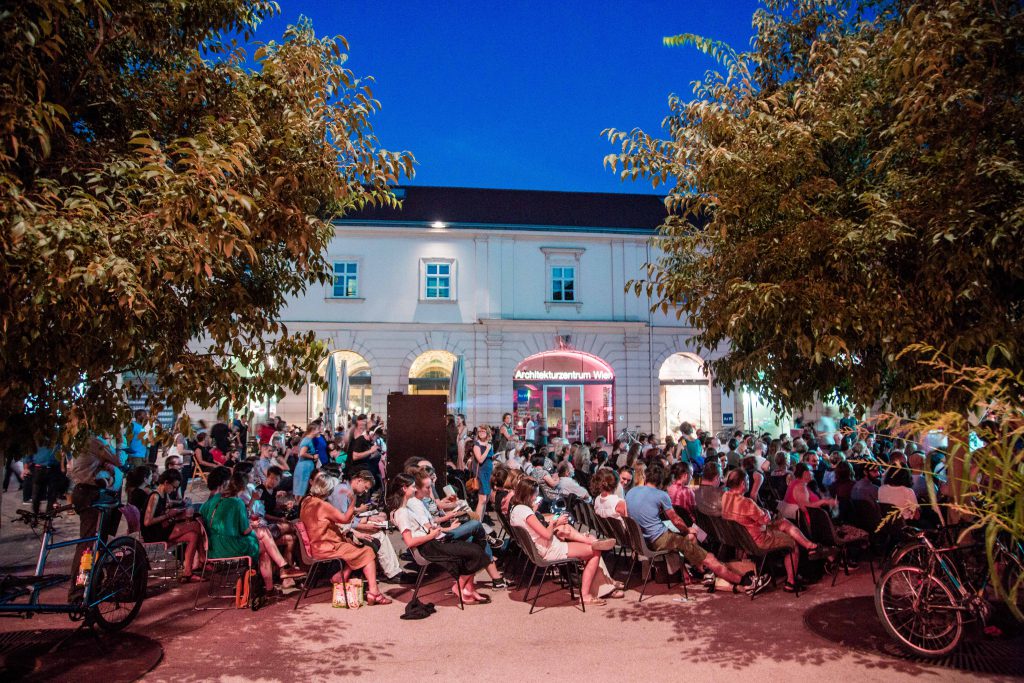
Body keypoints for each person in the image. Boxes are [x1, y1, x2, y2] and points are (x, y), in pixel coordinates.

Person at [625, 463, 767, 594]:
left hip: (643, 540)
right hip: (660, 539)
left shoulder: (631, 492)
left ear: (645, 476)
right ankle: (746, 581)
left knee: (694, 546)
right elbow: (676, 520)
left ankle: (703, 571)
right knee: (709, 557)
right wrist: (687, 530)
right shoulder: (662, 495)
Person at [509, 477, 619, 605]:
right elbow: (546, 534)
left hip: (542, 548)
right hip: (549, 549)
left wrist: (539, 515)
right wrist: (556, 523)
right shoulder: (526, 512)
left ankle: (591, 543)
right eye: (535, 495)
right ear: (528, 494)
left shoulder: (516, 510)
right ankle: (586, 595)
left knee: (572, 536)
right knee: (595, 552)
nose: (536, 497)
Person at [201, 467, 303, 603]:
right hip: (230, 547)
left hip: (213, 547)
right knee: (263, 535)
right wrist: (253, 526)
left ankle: (274, 582)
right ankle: (281, 571)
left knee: (263, 540)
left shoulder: (211, 502)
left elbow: (205, 517)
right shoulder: (236, 503)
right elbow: (244, 531)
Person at [390, 472, 491, 605]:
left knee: (476, 548)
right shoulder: (401, 512)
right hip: (427, 547)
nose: (415, 489)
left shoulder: (405, 508)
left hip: (432, 541)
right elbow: (409, 541)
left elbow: (423, 527)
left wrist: (434, 532)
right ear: (404, 488)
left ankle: (466, 588)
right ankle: (460, 586)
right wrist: (431, 535)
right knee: (477, 551)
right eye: (413, 487)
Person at [721, 469, 827, 593]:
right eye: (748, 480)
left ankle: (810, 546)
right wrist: (766, 512)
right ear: (743, 484)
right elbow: (766, 520)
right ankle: (791, 582)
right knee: (792, 543)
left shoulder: (725, 496)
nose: (749, 482)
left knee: (784, 523)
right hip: (759, 540)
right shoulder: (746, 502)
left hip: (744, 538)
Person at [301, 475, 391, 605]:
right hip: (326, 546)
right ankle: (374, 593)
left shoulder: (307, 501)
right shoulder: (323, 505)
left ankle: (340, 575)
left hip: (317, 544)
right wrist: (353, 501)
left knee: (357, 547)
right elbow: (345, 519)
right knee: (368, 552)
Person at [143, 470, 204, 582]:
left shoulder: (164, 494)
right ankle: (203, 558)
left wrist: (177, 510)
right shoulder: (155, 496)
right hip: (154, 532)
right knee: (195, 524)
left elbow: (169, 506)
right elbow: (147, 522)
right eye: (174, 487)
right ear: (166, 482)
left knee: (193, 536)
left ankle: (188, 573)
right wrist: (167, 515)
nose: (174, 490)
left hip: (163, 527)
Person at [347, 414, 382, 491]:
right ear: (372, 434)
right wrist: (370, 451)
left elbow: (365, 455)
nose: (376, 439)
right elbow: (355, 456)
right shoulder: (360, 440)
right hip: (357, 472)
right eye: (376, 437)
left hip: (364, 471)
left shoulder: (368, 442)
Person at [472, 425, 495, 520]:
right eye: (480, 431)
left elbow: (490, 458)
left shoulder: (489, 443)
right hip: (481, 472)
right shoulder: (476, 444)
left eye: (483, 431)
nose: (481, 433)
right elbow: (480, 460)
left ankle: (480, 521)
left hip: (489, 472)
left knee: (486, 499)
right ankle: (477, 524)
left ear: (487, 433)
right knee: (482, 499)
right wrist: (488, 449)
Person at [292, 423, 320, 497]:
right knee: (301, 489)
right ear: (313, 430)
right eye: (318, 429)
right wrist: (313, 457)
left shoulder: (309, 440)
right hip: (304, 467)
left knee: (303, 488)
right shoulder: (307, 440)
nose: (319, 431)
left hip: (307, 466)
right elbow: (302, 453)